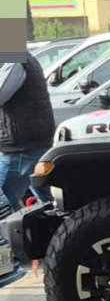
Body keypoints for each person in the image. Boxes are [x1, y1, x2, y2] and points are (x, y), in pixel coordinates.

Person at [0, 55, 55, 218]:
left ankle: (9, 240)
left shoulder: (13, 60)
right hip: (30, 143)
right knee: (48, 203)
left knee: (4, 201)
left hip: (22, 148)